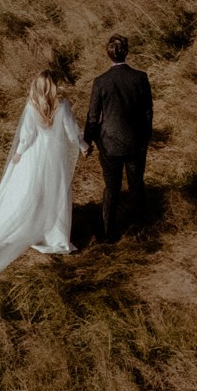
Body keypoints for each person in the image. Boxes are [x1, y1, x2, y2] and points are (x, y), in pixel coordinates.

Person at [0, 69, 81, 315]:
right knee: (54, 196)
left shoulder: (32, 107)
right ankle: (53, 235)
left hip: (34, 158)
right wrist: (83, 147)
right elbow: (72, 133)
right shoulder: (62, 105)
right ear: (53, 87)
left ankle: (27, 226)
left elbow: (27, 136)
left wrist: (19, 154)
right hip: (54, 160)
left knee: (28, 194)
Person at [82, 34, 153, 240]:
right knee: (136, 185)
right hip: (136, 143)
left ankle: (108, 233)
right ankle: (141, 230)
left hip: (109, 145)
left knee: (112, 189)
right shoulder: (140, 78)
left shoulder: (101, 82)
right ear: (127, 51)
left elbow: (93, 117)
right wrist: (145, 137)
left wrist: (87, 141)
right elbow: (148, 111)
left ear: (108, 53)